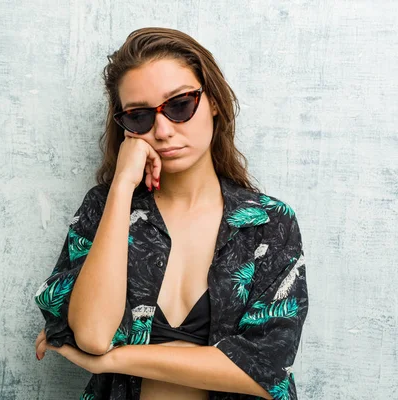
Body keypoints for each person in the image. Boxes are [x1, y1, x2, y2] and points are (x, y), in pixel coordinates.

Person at [33, 27, 309, 400]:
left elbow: (263, 368)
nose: (162, 131)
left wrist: (114, 361)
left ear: (213, 101)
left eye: (179, 105)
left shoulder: (267, 223)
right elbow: (94, 334)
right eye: (139, 116)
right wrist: (121, 187)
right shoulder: (105, 208)